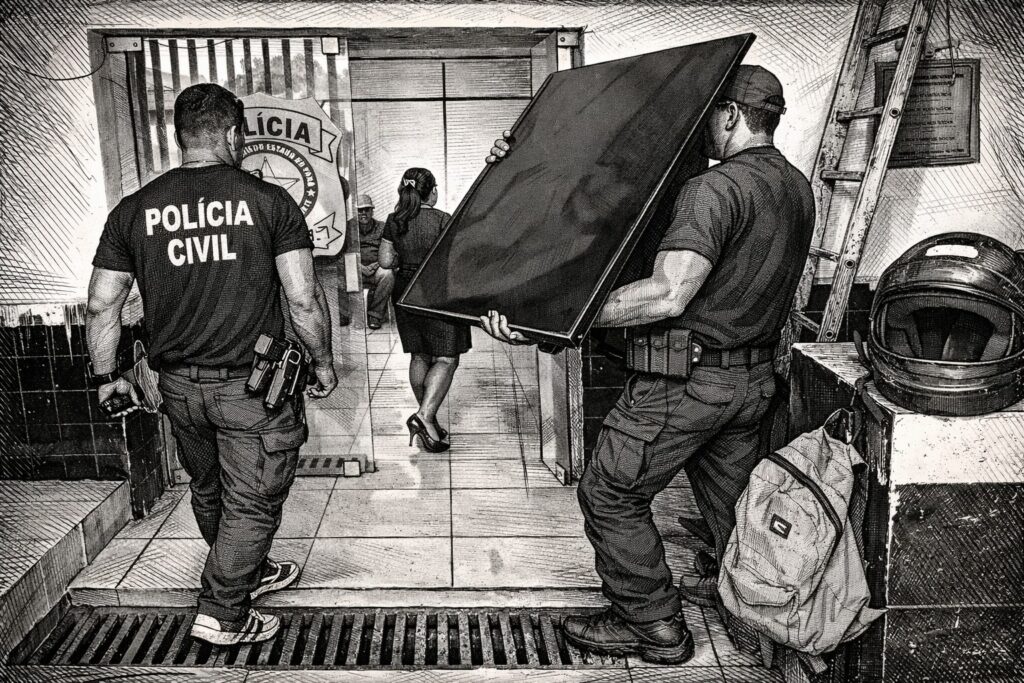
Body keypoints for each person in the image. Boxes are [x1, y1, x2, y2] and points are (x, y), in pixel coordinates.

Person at [481, 65, 814, 665]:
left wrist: (566, 315)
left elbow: (668, 293)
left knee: (609, 493)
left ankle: (654, 625)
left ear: (731, 115)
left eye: (707, 114)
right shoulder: (796, 187)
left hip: (684, 385)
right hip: (750, 384)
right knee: (736, 509)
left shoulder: (713, 190)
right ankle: (769, 618)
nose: (696, 129)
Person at [86, 83, 338, 647]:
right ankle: (223, 612)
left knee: (209, 488)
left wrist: (106, 379)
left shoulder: (134, 210)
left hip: (175, 387)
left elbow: (103, 302)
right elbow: (302, 298)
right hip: (251, 389)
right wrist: (322, 363)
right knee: (252, 500)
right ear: (232, 134)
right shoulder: (270, 202)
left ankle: (249, 570)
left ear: (180, 138)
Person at [378, 168, 471, 453]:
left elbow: (384, 261)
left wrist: (403, 259)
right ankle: (425, 416)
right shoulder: (444, 220)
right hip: (438, 293)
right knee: (446, 358)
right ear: (432, 191)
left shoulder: (395, 221)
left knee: (420, 354)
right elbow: (457, 261)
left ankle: (428, 422)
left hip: (405, 292)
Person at [349, 193, 394, 330]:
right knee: (348, 271)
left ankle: (375, 315)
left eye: (366, 210)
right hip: (357, 268)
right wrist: (359, 267)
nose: (363, 213)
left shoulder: (382, 227)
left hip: (377, 268)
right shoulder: (348, 227)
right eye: (360, 210)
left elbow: (390, 251)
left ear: (372, 210)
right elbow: (345, 253)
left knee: (387, 274)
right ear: (355, 211)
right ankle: (357, 316)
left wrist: (377, 264)